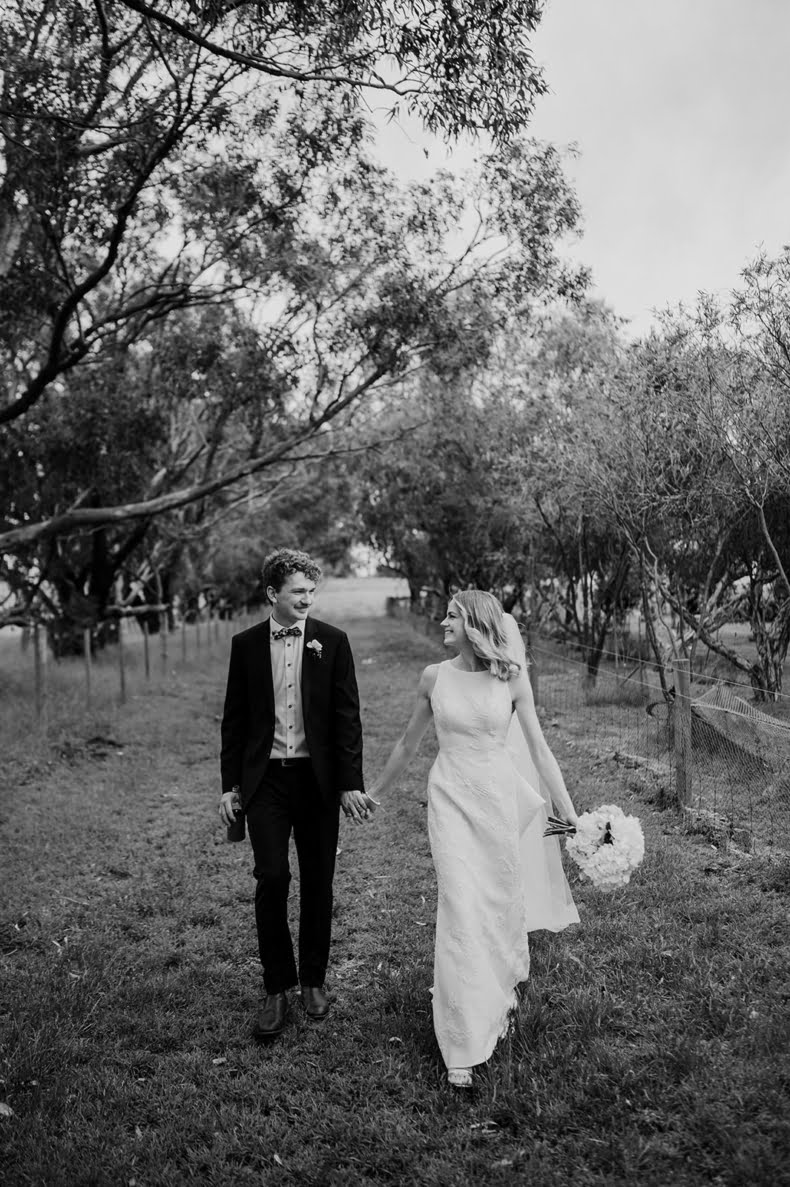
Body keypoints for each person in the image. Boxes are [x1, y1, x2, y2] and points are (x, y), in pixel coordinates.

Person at [368, 590, 579, 1089]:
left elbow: (539, 748)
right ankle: (461, 1040)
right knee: (460, 905)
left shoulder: (512, 678)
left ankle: (500, 989)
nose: (443, 622)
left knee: (497, 901)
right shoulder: (433, 677)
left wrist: (568, 809)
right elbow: (408, 743)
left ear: (476, 625)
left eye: (452, 616)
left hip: (497, 802)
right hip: (450, 799)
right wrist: (374, 794)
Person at [219, 548, 376, 1039]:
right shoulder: (246, 645)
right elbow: (234, 721)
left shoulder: (333, 641)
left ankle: (312, 980)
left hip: (316, 781)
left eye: (311, 591)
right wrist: (229, 787)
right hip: (265, 781)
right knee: (272, 877)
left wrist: (350, 782)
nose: (307, 599)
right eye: (298, 592)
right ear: (273, 594)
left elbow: (348, 718)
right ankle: (276, 987)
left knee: (318, 879)